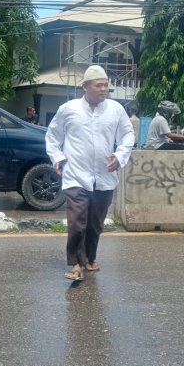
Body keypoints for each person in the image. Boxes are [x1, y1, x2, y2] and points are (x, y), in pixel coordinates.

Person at [46, 65, 135, 281]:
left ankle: (90, 257)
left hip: (104, 177)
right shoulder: (69, 109)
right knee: (77, 221)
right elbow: (52, 136)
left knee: (95, 223)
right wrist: (57, 157)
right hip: (76, 174)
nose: (104, 89)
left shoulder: (115, 109)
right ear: (85, 87)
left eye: (106, 85)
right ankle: (76, 263)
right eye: (99, 85)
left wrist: (120, 155)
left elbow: (127, 134)